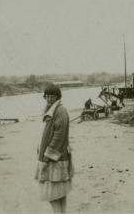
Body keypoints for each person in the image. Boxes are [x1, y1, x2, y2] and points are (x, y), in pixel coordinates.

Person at [35, 84, 74, 213]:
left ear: (57, 97)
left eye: (52, 96)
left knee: (51, 193)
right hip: (58, 156)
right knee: (59, 192)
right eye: (47, 96)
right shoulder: (52, 110)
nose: (49, 99)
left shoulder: (60, 111)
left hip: (55, 157)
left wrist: (47, 155)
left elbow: (58, 136)